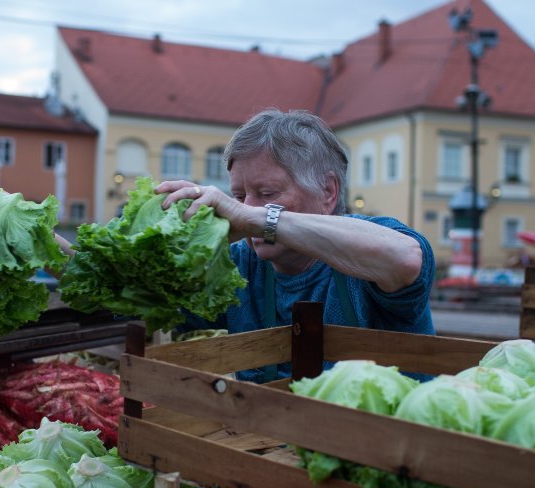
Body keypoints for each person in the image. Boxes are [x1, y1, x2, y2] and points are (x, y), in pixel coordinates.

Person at [155, 109, 435, 379]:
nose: (247, 210)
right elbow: (151, 308)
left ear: (328, 191)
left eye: (266, 193)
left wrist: (257, 218)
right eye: (238, 197)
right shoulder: (238, 264)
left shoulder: (370, 238)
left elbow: (406, 260)